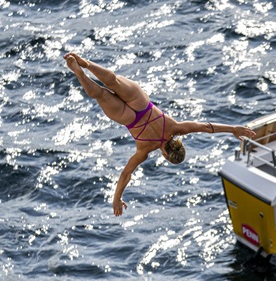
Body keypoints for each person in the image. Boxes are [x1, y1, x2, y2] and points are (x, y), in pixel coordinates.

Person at [63, 53, 256, 217]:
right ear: (165, 155)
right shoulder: (145, 149)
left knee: (112, 80)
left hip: (141, 104)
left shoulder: (176, 128)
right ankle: (81, 75)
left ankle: (85, 63)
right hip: (129, 119)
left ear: (179, 144)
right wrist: (117, 198)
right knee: (101, 95)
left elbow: (205, 127)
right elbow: (126, 174)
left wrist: (233, 129)